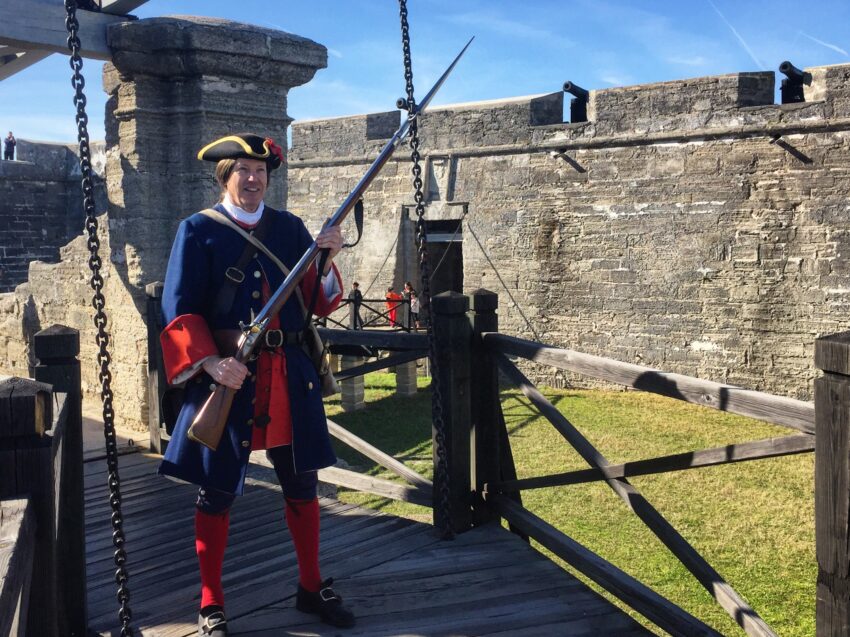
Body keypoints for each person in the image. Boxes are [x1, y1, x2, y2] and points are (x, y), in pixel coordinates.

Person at [158, 133, 355, 635]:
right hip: (230, 373)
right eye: (242, 170)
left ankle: (310, 587)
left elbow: (317, 299)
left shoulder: (289, 228)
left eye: (261, 171)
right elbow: (179, 307)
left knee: (302, 484)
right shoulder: (198, 230)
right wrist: (209, 365)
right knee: (216, 490)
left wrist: (326, 258)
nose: (253, 179)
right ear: (225, 177)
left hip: (288, 373)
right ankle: (210, 601)